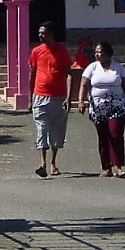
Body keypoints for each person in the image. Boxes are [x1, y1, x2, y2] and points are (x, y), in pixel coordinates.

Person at [78, 41, 125, 177]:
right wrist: (81, 101)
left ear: (107, 53)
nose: (97, 54)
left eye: (99, 51)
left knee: (115, 133)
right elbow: (84, 84)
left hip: (117, 105)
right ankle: (106, 167)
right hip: (98, 107)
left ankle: (117, 165)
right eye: (96, 52)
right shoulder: (92, 67)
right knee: (103, 136)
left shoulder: (118, 68)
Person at [27, 23, 77, 177]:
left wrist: (69, 97)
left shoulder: (61, 51)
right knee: (42, 129)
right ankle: (42, 163)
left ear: (51, 34)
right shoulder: (36, 52)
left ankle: (53, 162)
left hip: (59, 97)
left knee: (56, 130)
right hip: (40, 96)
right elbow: (32, 75)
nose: (41, 36)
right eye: (39, 33)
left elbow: (69, 74)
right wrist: (30, 98)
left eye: (44, 33)